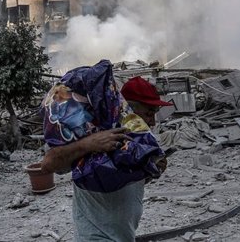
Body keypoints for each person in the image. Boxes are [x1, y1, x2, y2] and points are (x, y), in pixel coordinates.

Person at [41, 76, 173, 242]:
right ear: (127, 109)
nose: (152, 122)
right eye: (148, 113)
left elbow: (120, 180)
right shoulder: (95, 134)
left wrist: (150, 170)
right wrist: (88, 144)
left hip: (124, 235)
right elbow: (47, 164)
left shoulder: (137, 140)